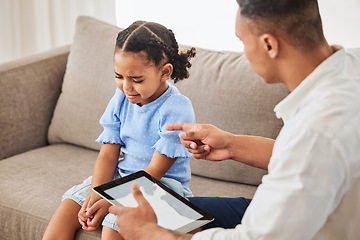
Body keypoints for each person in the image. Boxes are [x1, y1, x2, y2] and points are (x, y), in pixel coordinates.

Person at [108, 0, 360, 239]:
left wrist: (152, 235)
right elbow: (309, 160)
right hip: (322, 210)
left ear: (269, 45)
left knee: (159, 223)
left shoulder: (316, 130)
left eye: (242, 41)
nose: (243, 52)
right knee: (174, 211)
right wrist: (231, 144)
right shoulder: (351, 67)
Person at [42, 21, 197, 240]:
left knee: (114, 225)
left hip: (159, 185)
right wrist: (98, 193)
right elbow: (108, 154)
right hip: (122, 176)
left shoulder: (177, 108)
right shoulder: (122, 99)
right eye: (119, 76)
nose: (126, 87)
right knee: (70, 206)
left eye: (136, 80)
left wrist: (111, 200)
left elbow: (155, 171)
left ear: (165, 72)